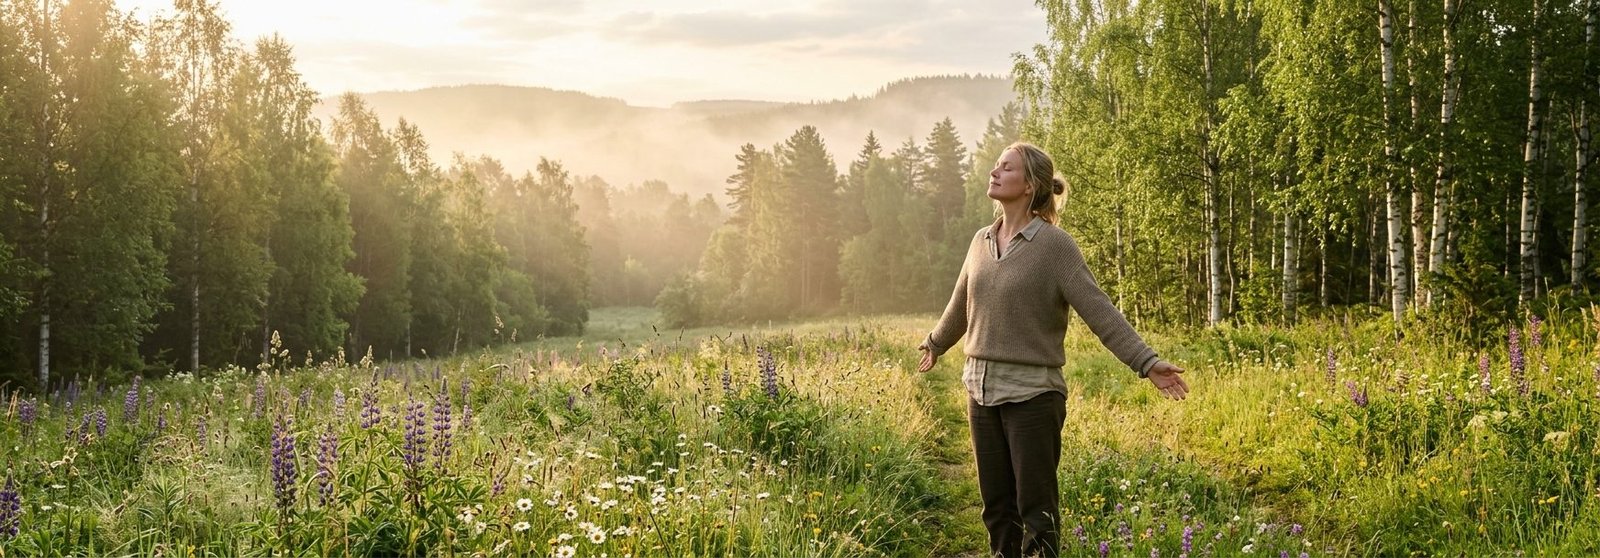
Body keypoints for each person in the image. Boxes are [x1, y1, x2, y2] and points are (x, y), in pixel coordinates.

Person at [917, 141, 1189, 558]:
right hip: (980, 390)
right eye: (995, 166)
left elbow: (1100, 311)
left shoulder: (1055, 246)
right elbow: (961, 304)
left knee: (1036, 510)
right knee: (997, 508)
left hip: (1033, 395)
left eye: (1006, 168)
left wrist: (1146, 362)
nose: (994, 172)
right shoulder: (980, 240)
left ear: (1029, 185)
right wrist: (936, 342)